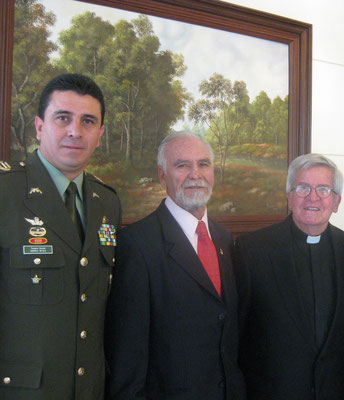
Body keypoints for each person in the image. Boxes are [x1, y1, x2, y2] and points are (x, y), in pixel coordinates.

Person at [0, 73, 121, 399]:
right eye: (63, 118)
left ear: (100, 134)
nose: (75, 131)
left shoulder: (107, 201)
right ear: (40, 126)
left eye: (88, 121)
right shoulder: (5, 191)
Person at [105, 131, 246, 400]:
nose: (196, 174)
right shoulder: (137, 245)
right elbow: (127, 360)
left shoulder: (225, 240)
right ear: (162, 176)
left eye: (204, 164)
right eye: (182, 165)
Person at [234, 153, 344, 400]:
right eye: (302, 188)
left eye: (323, 189)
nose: (313, 197)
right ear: (289, 197)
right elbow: (236, 337)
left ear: (337, 201)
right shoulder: (251, 251)